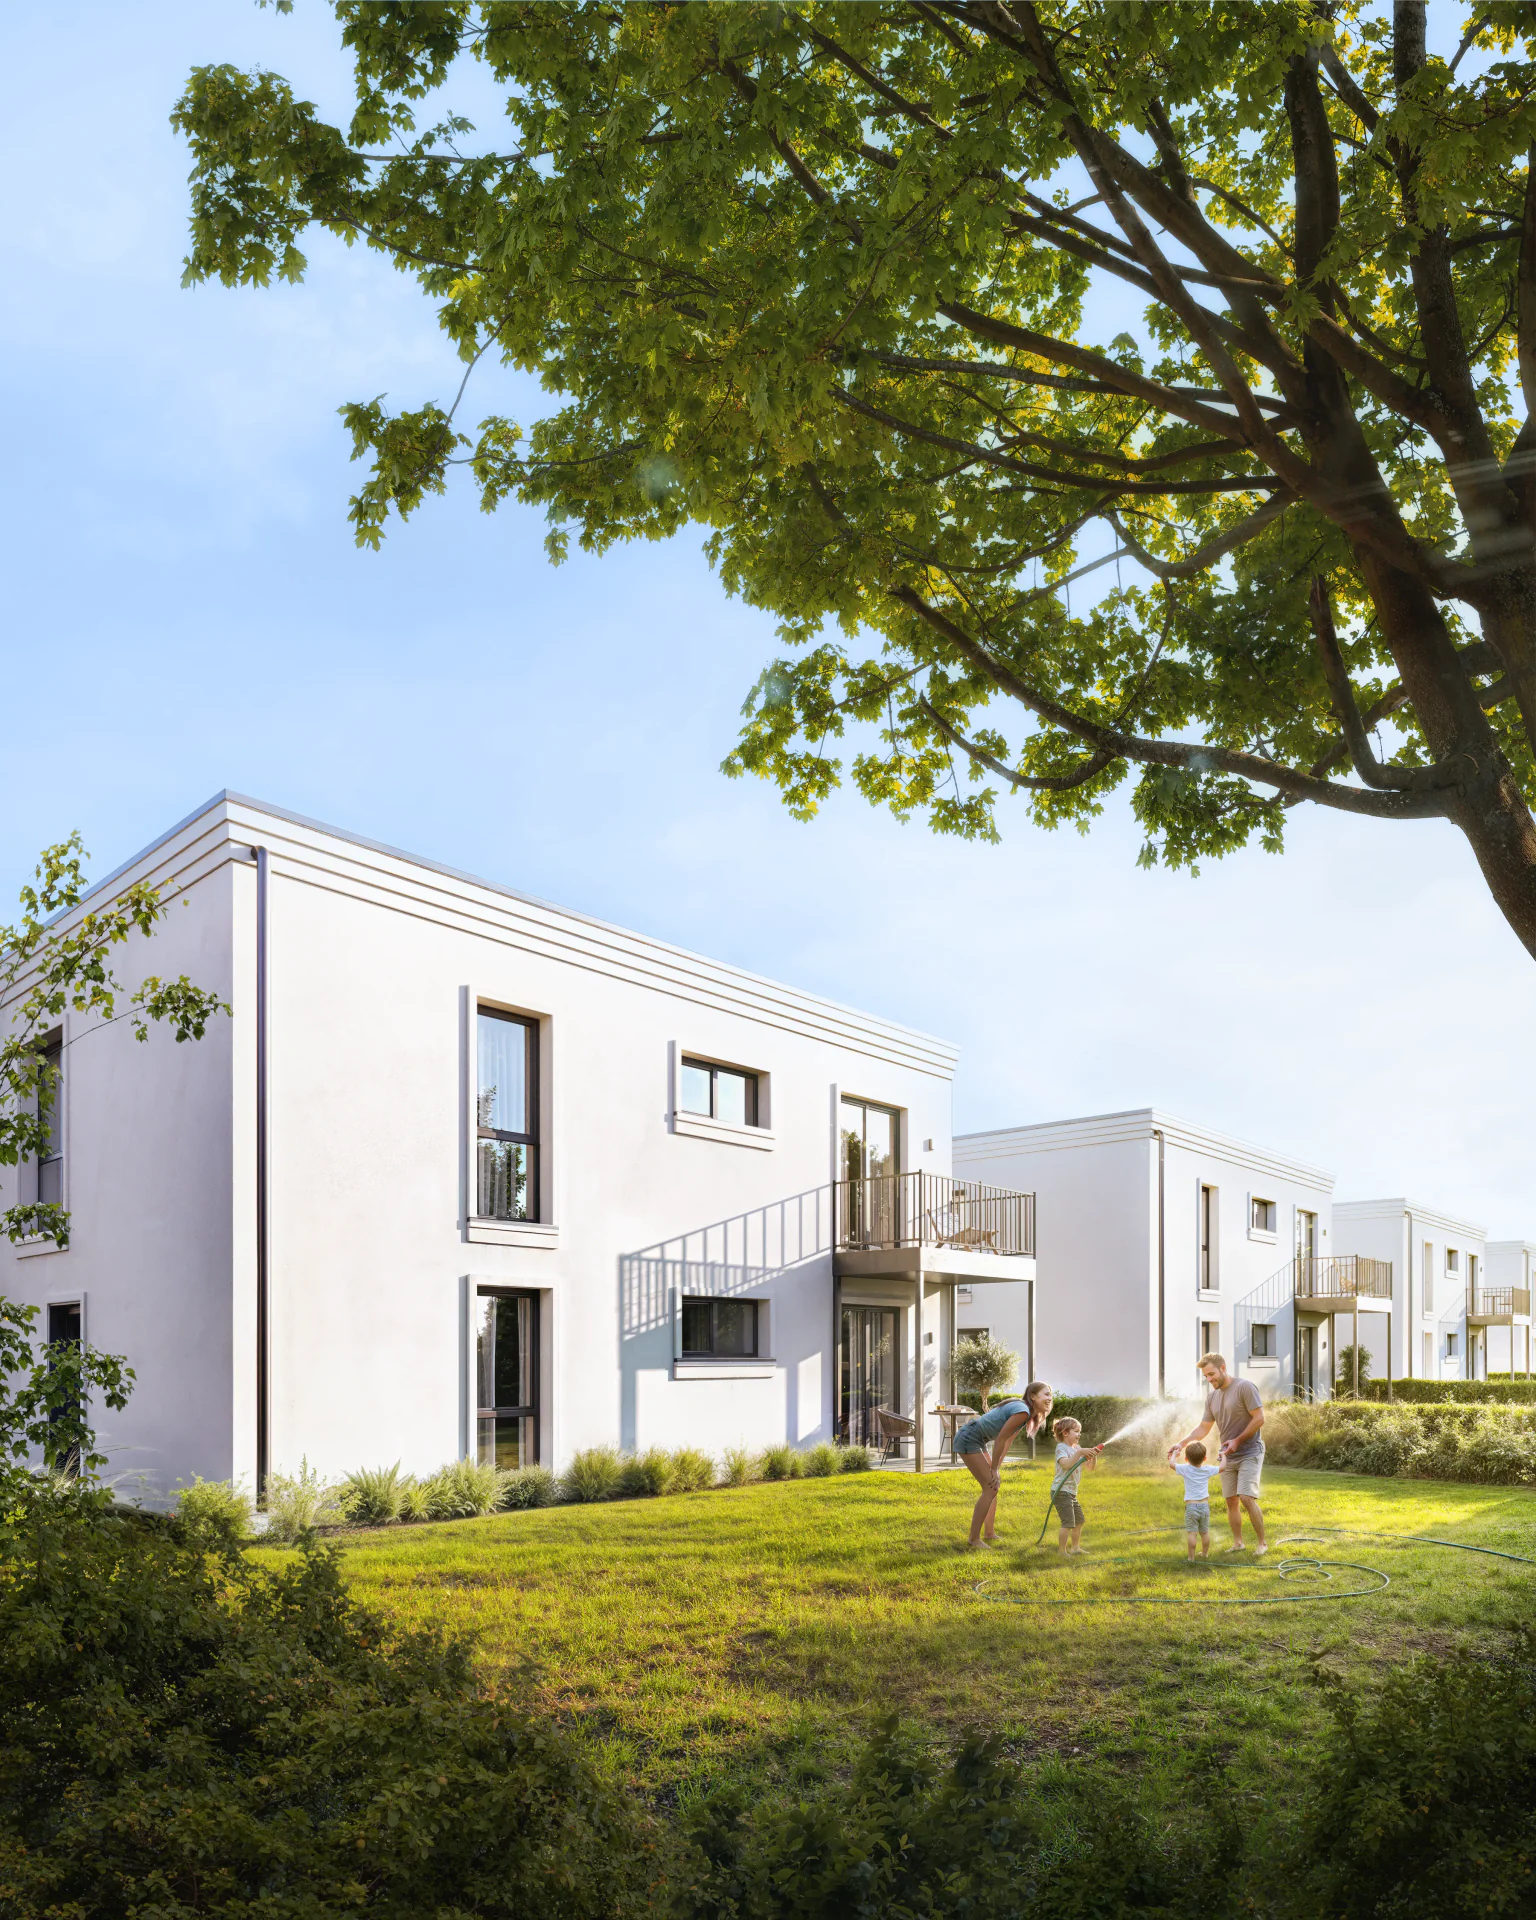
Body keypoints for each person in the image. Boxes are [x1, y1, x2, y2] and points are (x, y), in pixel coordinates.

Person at [1171, 1354, 1268, 1556]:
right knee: (1231, 1500)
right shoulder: (1212, 1398)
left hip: (1250, 1451)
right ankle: (1238, 1543)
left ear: (1223, 1368)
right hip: (1228, 1455)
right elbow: (1203, 1428)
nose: (1209, 1379)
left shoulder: (1244, 1387)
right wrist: (1181, 1443)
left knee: (1246, 1497)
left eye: (1212, 1374)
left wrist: (1237, 1440)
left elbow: (1259, 1418)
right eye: (1206, 1376)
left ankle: (1262, 1543)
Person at [954, 1380, 1053, 1550]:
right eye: (1046, 1394)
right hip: (969, 1438)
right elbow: (1000, 1439)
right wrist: (993, 1469)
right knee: (990, 1488)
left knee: (993, 1485)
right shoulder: (1022, 1411)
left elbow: (1007, 1441)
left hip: (977, 1439)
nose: (1050, 1398)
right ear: (1033, 1396)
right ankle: (974, 1539)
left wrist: (996, 1469)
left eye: (1050, 1394)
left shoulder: (1025, 1413)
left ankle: (989, 1533)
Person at [1050, 1415, 1102, 1555]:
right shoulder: (1061, 1448)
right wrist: (1079, 1453)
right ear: (1065, 1433)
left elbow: (1090, 1467)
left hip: (1071, 1492)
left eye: (1080, 1431)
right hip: (1060, 1491)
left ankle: (1075, 1548)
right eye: (1076, 1431)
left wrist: (1094, 1455)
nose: (1079, 1434)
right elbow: (1066, 1465)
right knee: (1068, 1523)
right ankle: (1062, 1552)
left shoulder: (1077, 1448)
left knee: (1079, 1521)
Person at [1170, 1439, 1217, 1561]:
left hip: (1191, 1507)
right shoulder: (1207, 1469)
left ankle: (1191, 1558)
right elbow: (1223, 1467)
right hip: (1204, 1507)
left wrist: (1174, 1454)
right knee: (1205, 1532)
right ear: (1205, 1458)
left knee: (1192, 1533)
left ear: (1186, 1459)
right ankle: (1205, 1554)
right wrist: (1223, 1456)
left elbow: (1172, 1464)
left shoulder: (1185, 1469)